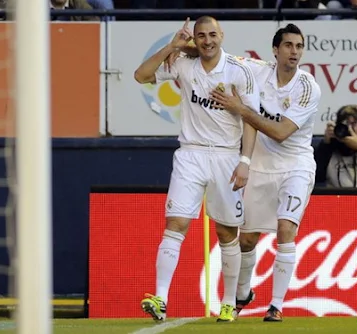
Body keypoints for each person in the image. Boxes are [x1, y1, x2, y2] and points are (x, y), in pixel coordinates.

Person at [169, 22, 321, 322]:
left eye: (299, 46)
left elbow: (280, 132)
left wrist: (241, 109)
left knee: (286, 229)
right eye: (289, 45)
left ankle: (276, 305)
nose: (295, 52)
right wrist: (184, 44)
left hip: (295, 165)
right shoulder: (255, 70)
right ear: (275, 50)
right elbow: (212, 53)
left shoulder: (307, 88)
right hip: (260, 164)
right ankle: (242, 294)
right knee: (247, 239)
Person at [133, 16, 260, 323]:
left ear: (222, 35)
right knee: (175, 223)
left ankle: (229, 302)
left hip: (227, 157)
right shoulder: (183, 64)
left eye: (212, 34)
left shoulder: (239, 71)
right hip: (190, 154)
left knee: (227, 231)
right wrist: (171, 46)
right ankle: (160, 299)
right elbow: (141, 75)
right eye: (201, 35)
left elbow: (251, 120)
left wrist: (245, 161)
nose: (207, 40)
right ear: (195, 39)